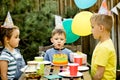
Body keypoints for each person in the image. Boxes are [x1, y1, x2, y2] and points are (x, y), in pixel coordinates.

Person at [90, 13, 116, 80]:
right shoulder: (105, 43)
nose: (91, 30)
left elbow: (99, 75)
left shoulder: (104, 48)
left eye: (92, 27)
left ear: (101, 28)